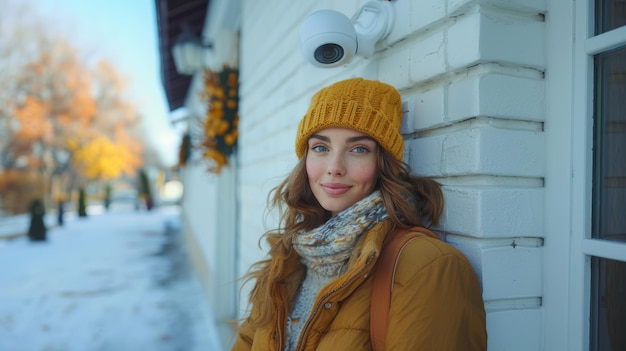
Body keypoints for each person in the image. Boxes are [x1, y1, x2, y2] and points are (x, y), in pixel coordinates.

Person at [232, 78, 487, 350]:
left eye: (359, 149)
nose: (334, 167)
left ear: (383, 164)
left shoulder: (428, 267)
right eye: (321, 147)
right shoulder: (289, 255)